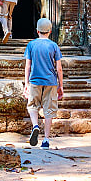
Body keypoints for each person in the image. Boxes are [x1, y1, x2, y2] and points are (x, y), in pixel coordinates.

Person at [24, 17, 64, 149]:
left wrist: (27, 84)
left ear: (37, 31)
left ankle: (35, 125)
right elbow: (58, 68)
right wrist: (61, 85)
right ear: (50, 31)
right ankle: (46, 139)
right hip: (50, 81)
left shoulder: (31, 45)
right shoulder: (53, 46)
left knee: (32, 106)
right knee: (49, 110)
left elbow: (28, 66)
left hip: (35, 80)